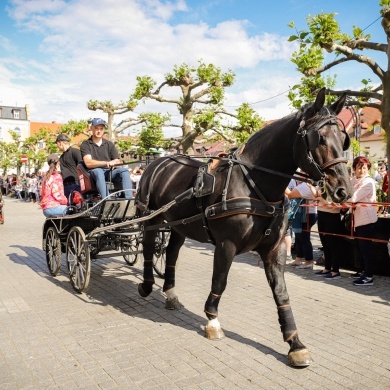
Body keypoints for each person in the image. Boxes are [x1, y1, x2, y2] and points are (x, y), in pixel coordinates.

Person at [80, 118, 132, 199]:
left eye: (101, 129)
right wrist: (105, 163)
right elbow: (88, 163)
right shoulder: (86, 144)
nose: (99, 131)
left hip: (109, 172)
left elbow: (117, 160)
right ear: (91, 128)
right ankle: (107, 200)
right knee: (99, 171)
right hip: (93, 174)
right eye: (96, 128)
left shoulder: (109, 144)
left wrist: (115, 162)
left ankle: (129, 199)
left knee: (124, 171)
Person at [349, 156, 378, 286]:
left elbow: (353, 197)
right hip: (357, 219)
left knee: (366, 249)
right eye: (359, 168)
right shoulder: (354, 180)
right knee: (360, 247)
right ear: (354, 169)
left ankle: (368, 276)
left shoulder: (369, 182)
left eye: (365, 168)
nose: (362, 171)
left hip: (367, 219)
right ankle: (362, 271)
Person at [286, 180, 318, 269]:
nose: (300, 172)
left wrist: (283, 185)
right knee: (298, 236)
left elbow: (290, 195)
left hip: (307, 214)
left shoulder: (306, 186)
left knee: (304, 238)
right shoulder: (304, 185)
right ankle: (299, 258)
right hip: (303, 214)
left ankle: (309, 260)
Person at [40, 153, 68, 217]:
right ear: (58, 163)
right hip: (54, 207)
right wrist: (66, 201)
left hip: (45, 208)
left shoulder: (46, 176)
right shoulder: (57, 176)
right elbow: (58, 195)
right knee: (73, 210)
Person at [55, 133, 82, 199]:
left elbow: (82, 167)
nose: (57, 146)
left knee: (77, 206)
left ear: (60, 143)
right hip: (65, 185)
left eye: (57, 144)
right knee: (69, 207)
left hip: (76, 183)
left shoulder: (75, 152)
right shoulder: (61, 157)